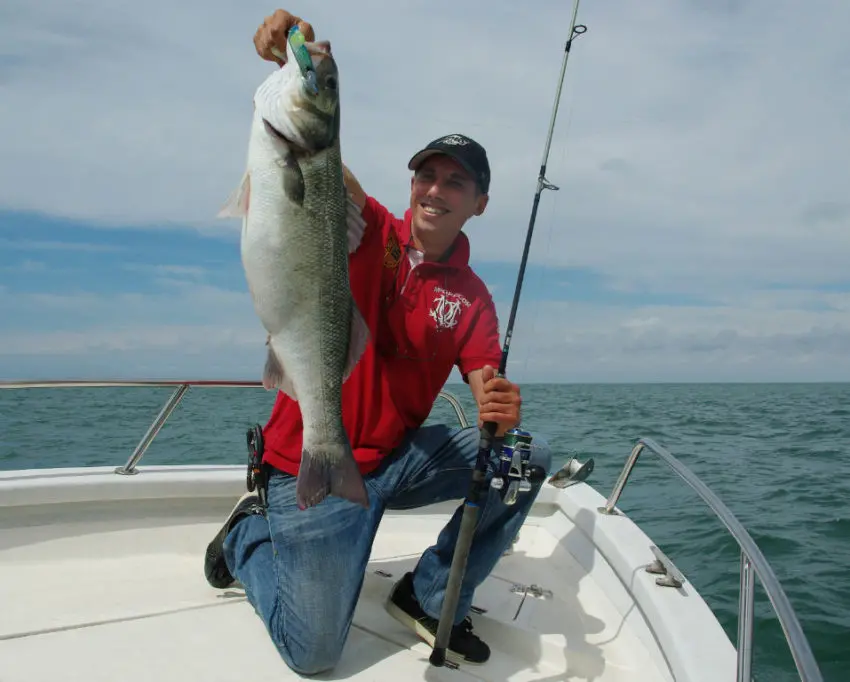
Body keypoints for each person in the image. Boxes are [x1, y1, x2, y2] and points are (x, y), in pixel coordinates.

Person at [204, 9, 552, 675]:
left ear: (480, 202)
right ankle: (250, 535)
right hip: (312, 456)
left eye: (456, 182)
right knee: (315, 656)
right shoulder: (366, 228)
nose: (436, 191)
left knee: (523, 456)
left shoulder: (473, 296)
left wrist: (499, 404)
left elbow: (484, 383)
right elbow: (313, 159)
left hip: (397, 458)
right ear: (411, 181)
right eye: (428, 174)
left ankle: (425, 597)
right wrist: (294, 57)